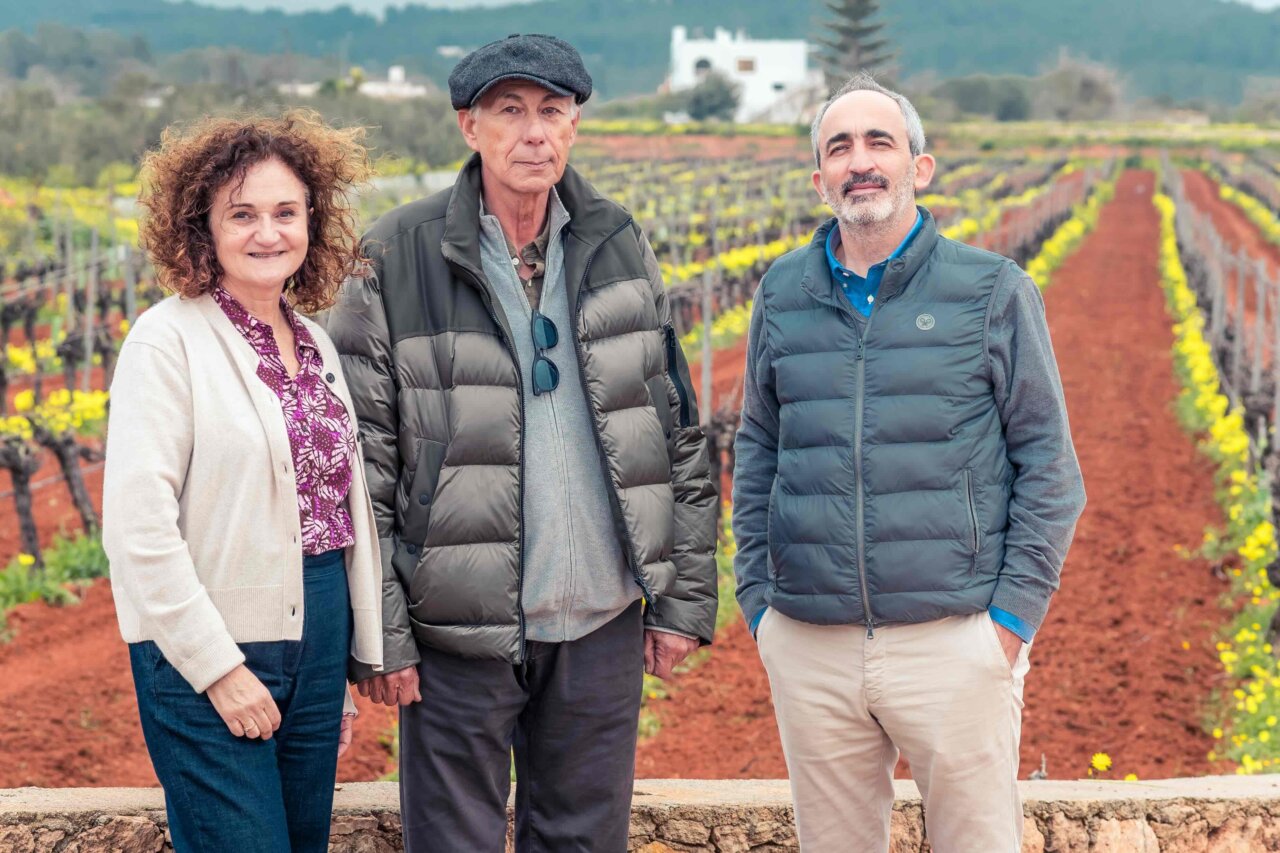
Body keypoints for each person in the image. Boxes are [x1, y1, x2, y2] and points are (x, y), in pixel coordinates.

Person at [325, 34, 719, 852]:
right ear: (470, 128)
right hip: (454, 629)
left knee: (583, 839)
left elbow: (674, 424)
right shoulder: (396, 254)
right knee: (453, 840)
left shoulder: (618, 240)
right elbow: (361, 464)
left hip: (602, 619)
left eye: (553, 111)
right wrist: (384, 634)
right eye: (510, 112)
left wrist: (679, 599)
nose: (534, 132)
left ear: (575, 125)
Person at [733, 73, 1087, 852]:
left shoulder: (991, 290)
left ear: (918, 167)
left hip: (954, 639)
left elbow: (1051, 469)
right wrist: (760, 603)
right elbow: (757, 443)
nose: (860, 162)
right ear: (818, 177)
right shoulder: (783, 292)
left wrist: (1008, 625)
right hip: (811, 642)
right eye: (840, 147)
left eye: (879, 142)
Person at [103, 112, 386, 853]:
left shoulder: (316, 341)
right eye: (243, 214)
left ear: (311, 222)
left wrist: (339, 670)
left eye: (286, 212)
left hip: (318, 635)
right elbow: (137, 530)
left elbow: (335, 513)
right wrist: (218, 668)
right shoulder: (167, 340)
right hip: (208, 642)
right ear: (202, 227)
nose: (268, 233)